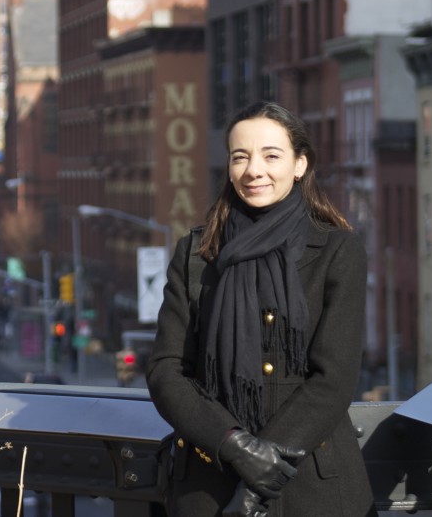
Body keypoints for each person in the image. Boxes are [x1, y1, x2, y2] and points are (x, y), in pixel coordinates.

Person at [146, 101, 376, 517]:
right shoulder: (196, 253)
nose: (254, 170)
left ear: (300, 164)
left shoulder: (338, 251)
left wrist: (263, 472)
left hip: (311, 484)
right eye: (241, 156)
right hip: (209, 483)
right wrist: (234, 445)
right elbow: (166, 370)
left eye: (272, 155)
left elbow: (335, 377)